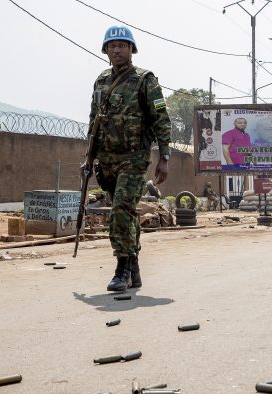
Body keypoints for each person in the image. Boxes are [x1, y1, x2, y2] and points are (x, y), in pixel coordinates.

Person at [84, 25, 171, 292]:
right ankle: (134, 267)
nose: (117, 50)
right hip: (106, 159)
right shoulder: (101, 80)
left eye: (122, 45)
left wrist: (164, 156)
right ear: (106, 51)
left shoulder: (145, 80)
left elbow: (160, 118)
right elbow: (93, 121)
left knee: (121, 209)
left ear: (131, 49)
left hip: (134, 158)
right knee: (128, 213)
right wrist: (89, 158)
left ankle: (121, 269)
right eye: (112, 46)